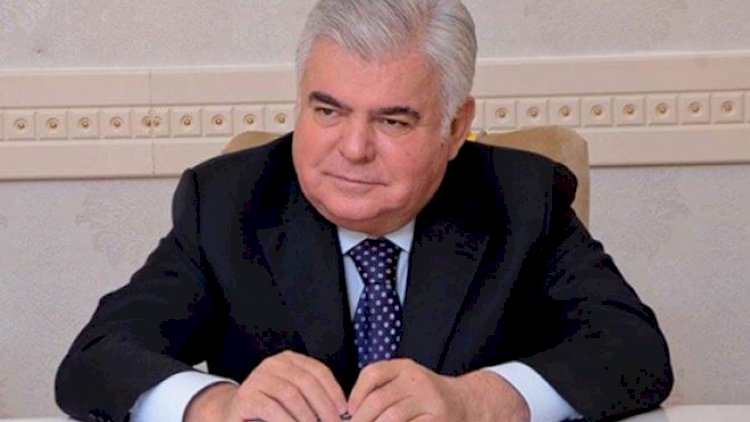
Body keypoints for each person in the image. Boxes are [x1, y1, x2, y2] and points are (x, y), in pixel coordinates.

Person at [55, 1, 673, 421]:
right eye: (328, 111)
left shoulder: (522, 197)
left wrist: (477, 401)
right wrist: (216, 405)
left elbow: (634, 349)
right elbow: (95, 359)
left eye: (393, 120)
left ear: (456, 127)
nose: (353, 149)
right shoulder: (226, 203)